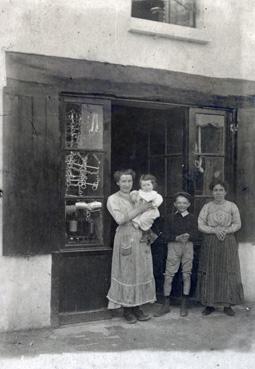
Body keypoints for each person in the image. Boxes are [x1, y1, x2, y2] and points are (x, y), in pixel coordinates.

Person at [107, 169, 156, 324]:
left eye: (129, 181)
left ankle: (137, 307)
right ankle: (127, 309)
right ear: (117, 182)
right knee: (126, 272)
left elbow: (150, 212)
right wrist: (140, 209)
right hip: (125, 237)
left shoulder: (139, 195)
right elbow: (120, 219)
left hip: (141, 235)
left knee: (141, 271)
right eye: (123, 181)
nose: (127, 184)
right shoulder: (113, 199)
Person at [196, 179, 244, 316]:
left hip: (227, 241)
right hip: (211, 241)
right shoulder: (207, 206)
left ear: (225, 192)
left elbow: (237, 224)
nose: (218, 193)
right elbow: (200, 224)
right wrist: (214, 231)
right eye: (215, 190)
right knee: (210, 270)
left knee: (227, 270)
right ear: (212, 192)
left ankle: (227, 304)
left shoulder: (232, 206)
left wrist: (225, 230)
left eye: (221, 190)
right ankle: (209, 304)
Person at [155, 192, 198, 317]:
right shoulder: (170, 218)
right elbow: (164, 236)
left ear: (189, 204)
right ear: (174, 204)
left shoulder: (193, 218)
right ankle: (166, 303)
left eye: (185, 203)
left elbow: (197, 235)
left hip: (188, 246)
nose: (182, 205)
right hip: (173, 246)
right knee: (169, 274)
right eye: (179, 202)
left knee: (186, 274)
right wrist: (176, 237)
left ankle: (184, 303)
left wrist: (189, 236)